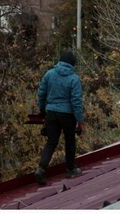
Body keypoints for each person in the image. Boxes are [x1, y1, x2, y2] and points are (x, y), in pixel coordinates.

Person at [35, 50, 84, 185]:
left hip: (51, 113)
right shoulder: (74, 78)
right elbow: (76, 102)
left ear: (60, 61)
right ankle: (70, 169)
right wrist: (79, 120)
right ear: (72, 64)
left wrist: (42, 110)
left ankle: (41, 169)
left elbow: (41, 93)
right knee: (70, 141)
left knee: (51, 142)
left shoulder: (49, 74)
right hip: (67, 115)